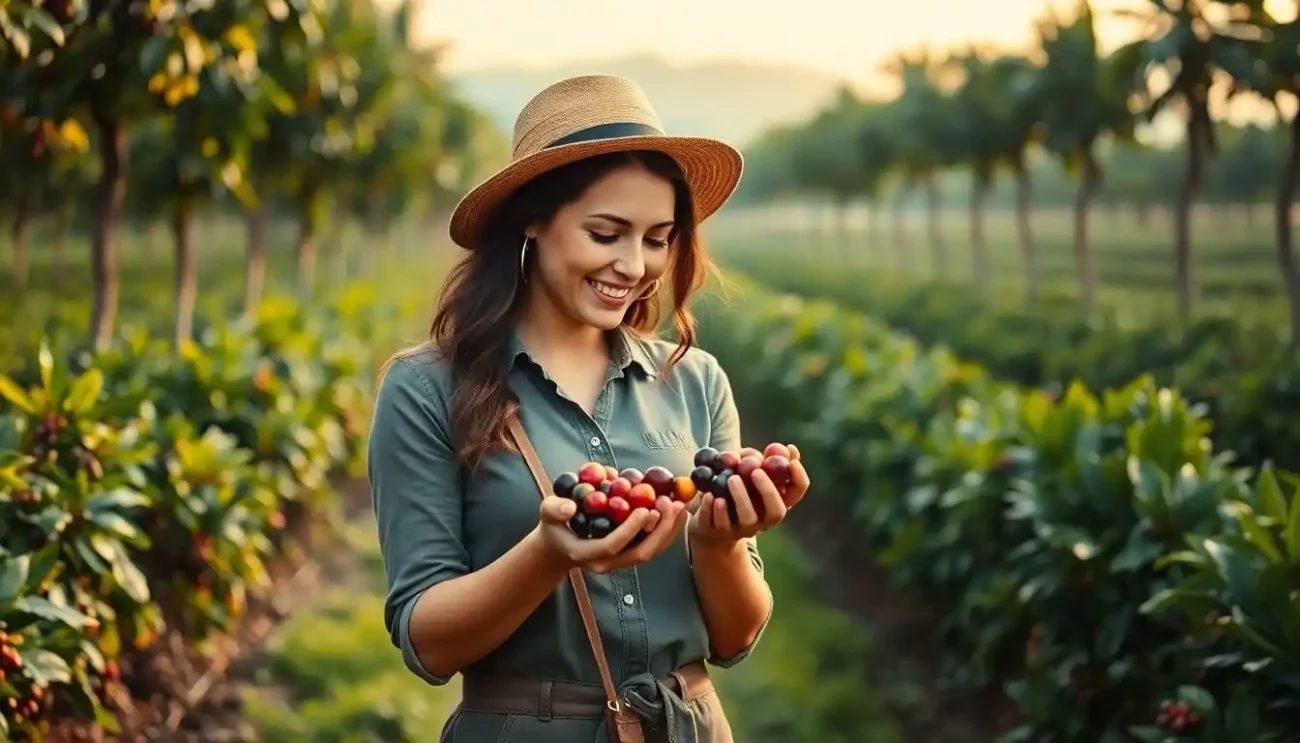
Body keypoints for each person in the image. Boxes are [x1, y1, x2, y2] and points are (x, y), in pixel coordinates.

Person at [367, 74, 811, 743]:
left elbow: (736, 634)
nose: (635, 265)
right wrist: (549, 552)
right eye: (607, 233)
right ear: (533, 223)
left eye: (658, 238)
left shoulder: (695, 382)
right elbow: (427, 641)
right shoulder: (427, 389)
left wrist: (716, 542)